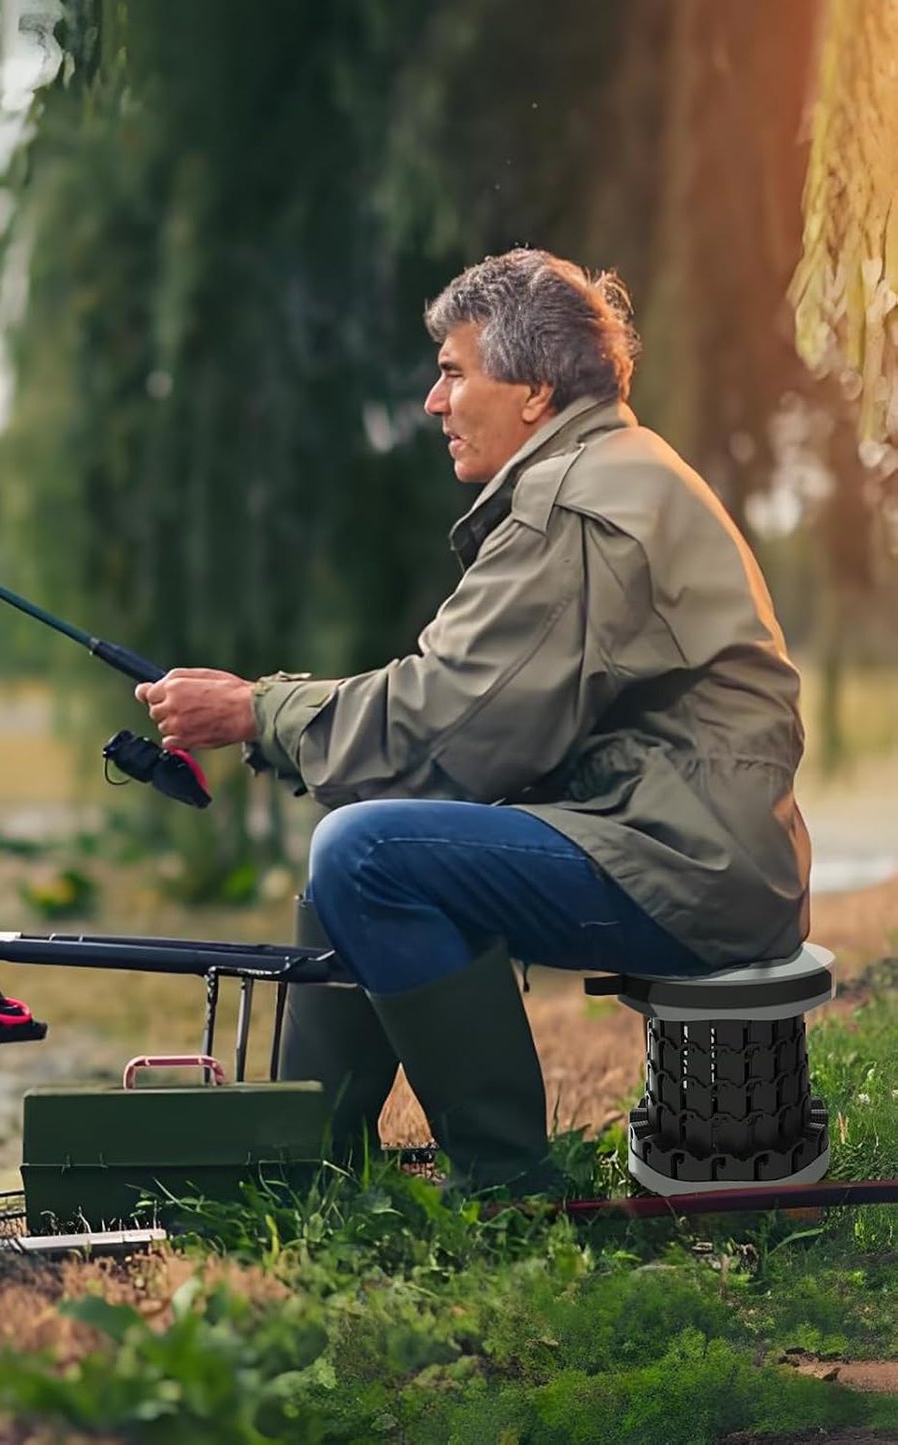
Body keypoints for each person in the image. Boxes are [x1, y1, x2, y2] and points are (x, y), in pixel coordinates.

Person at [134, 247, 811, 1193]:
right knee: (358, 850)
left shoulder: (572, 508)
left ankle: (506, 1187)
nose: (432, 401)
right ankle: (296, 1169)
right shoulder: (609, 468)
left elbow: (441, 729)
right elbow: (464, 723)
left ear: (533, 390)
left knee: (365, 852)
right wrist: (280, 715)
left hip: (686, 869)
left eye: (453, 372)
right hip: (690, 849)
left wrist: (255, 710)